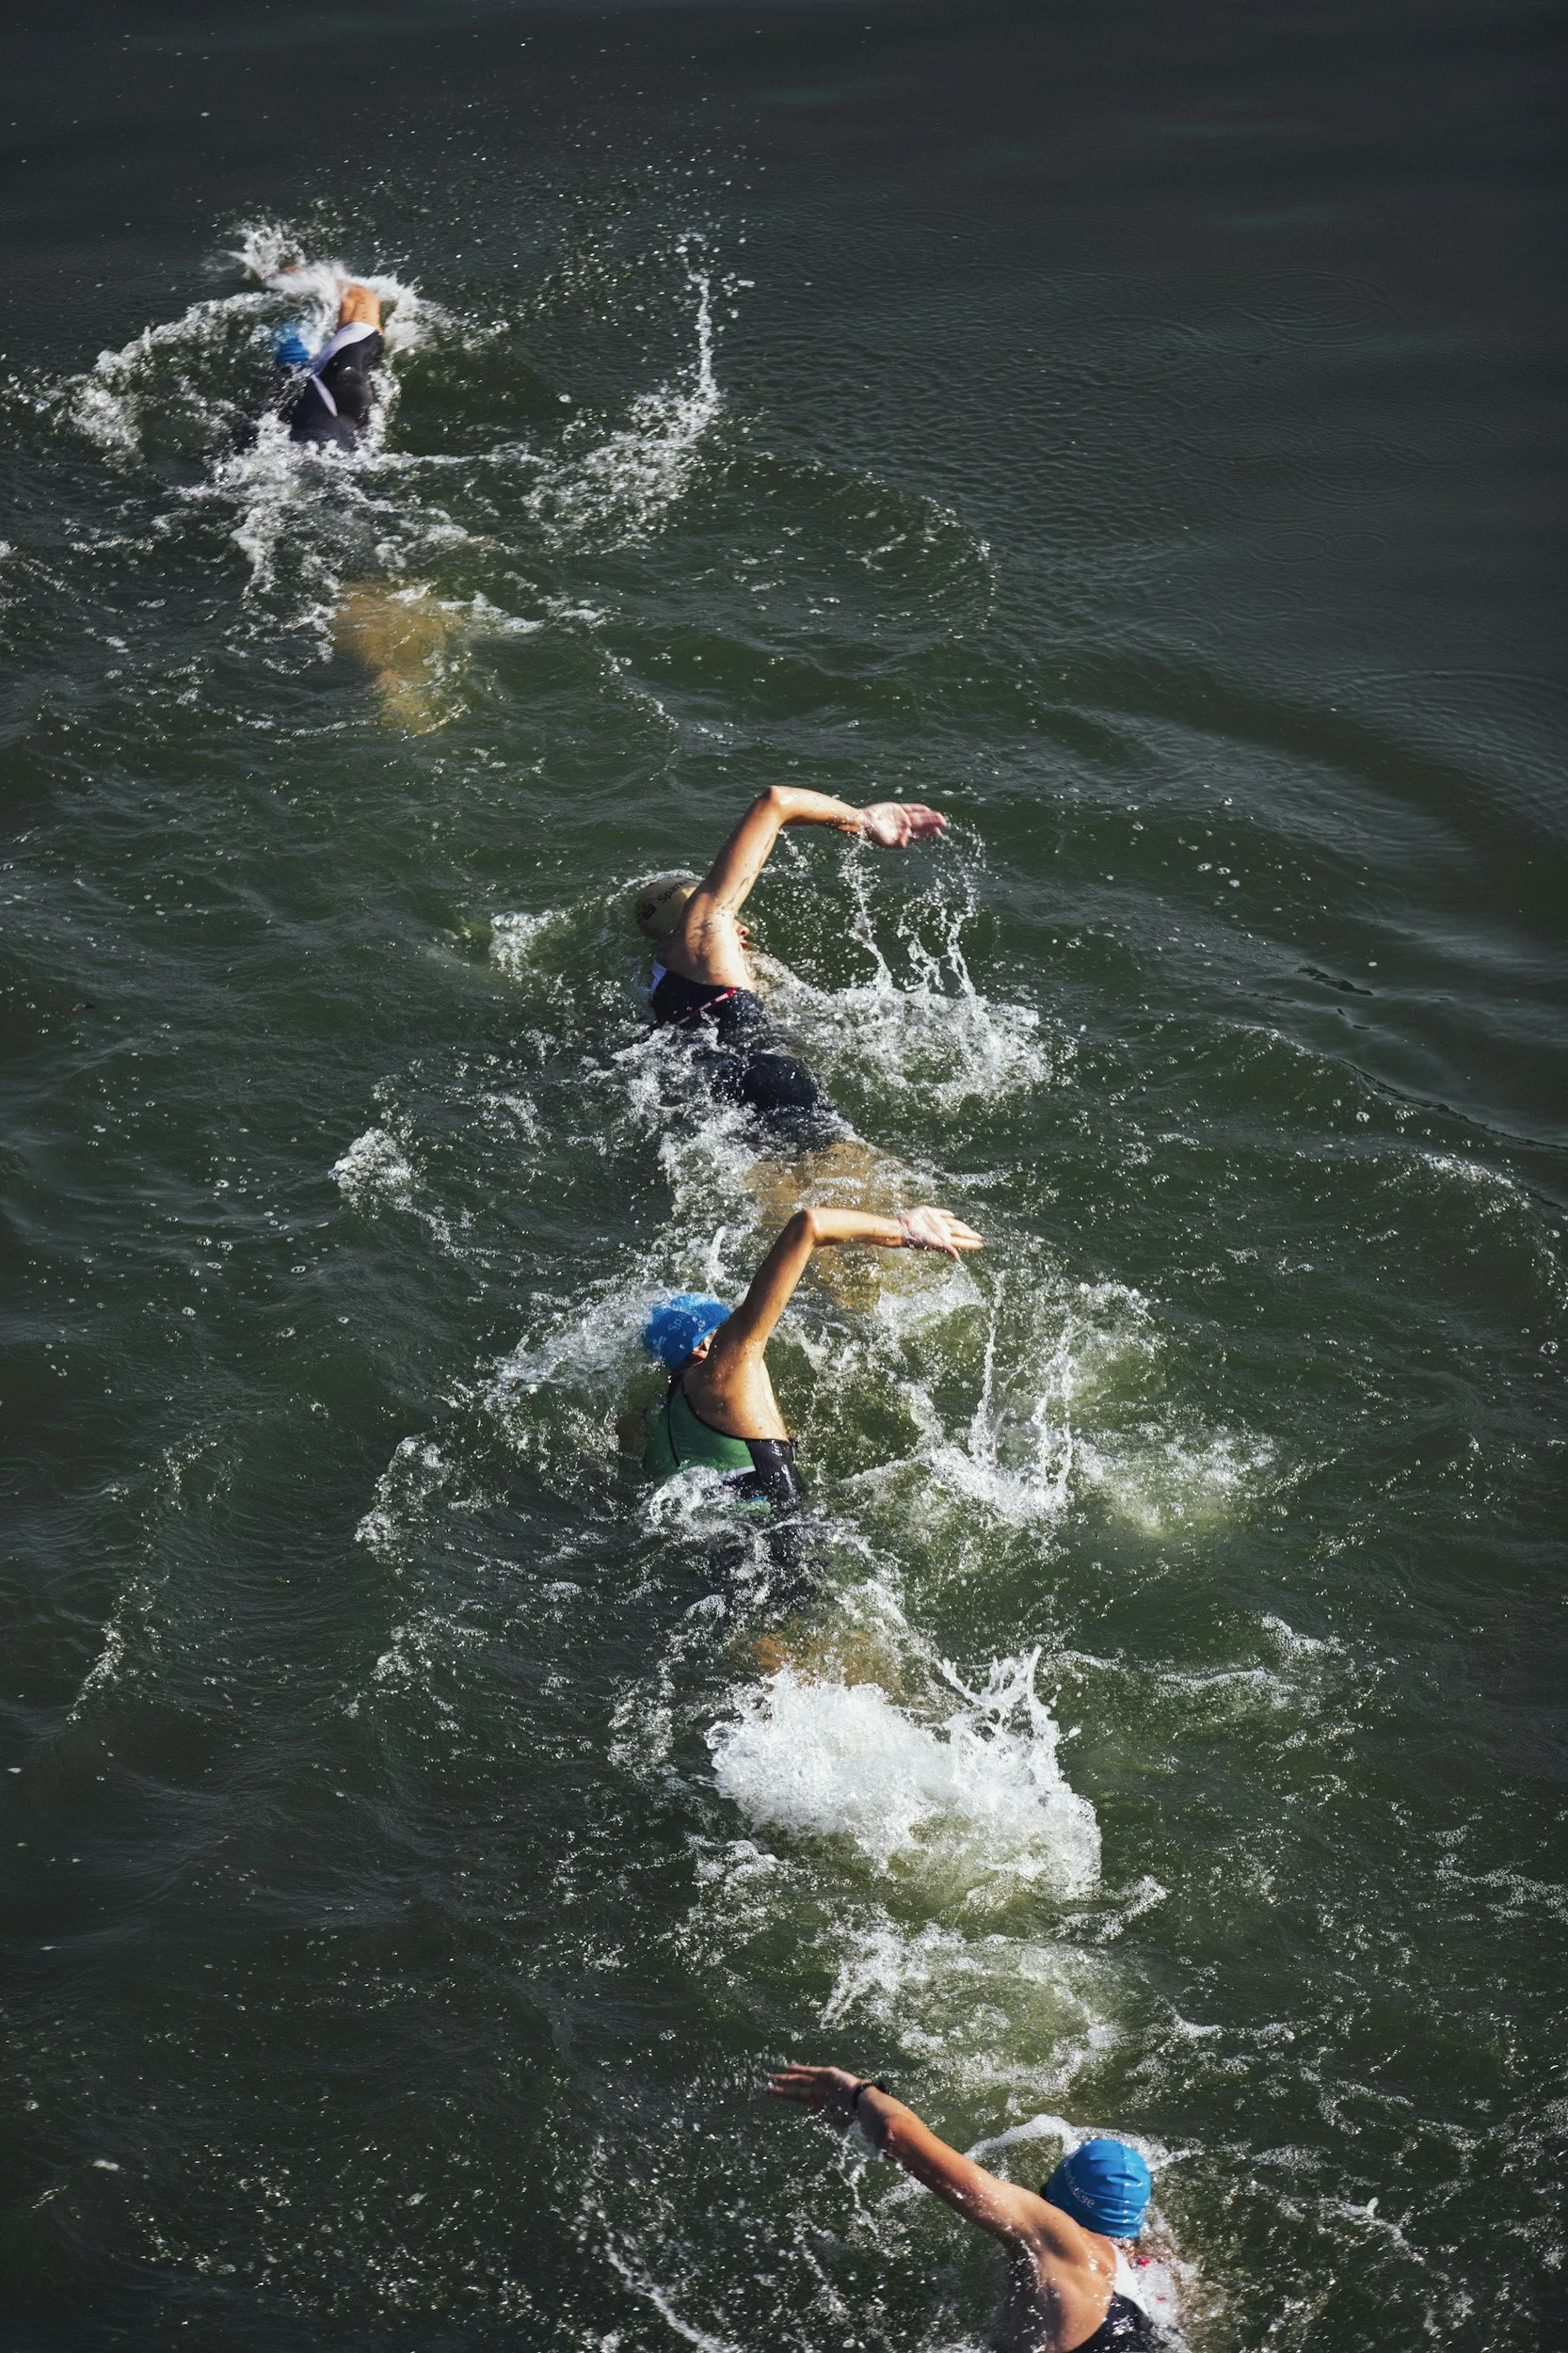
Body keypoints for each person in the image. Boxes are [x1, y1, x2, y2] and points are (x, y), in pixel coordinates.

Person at [634, 786, 946, 1150]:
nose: (742, 927)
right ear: (691, 919)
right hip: (777, 1085)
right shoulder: (703, 940)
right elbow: (775, 802)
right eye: (732, 916)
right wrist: (861, 820)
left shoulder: (658, 988)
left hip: (724, 1113)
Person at [767, 2065, 1164, 2351]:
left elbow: (897, 2135)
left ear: (1054, 2199)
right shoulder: (1152, 2272)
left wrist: (858, 2093)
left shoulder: (1060, 2240)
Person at [639, 1203, 981, 1514]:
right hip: (782, 1547)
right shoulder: (725, 1369)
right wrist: (902, 1229)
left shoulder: (653, 1423)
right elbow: (809, 1225)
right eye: (723, 1327)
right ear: (702, 1348)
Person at [276, 282, 385, 452]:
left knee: (287, 333)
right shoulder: (349, 356)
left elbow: (361, 297)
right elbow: (361, 296)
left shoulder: (351, 354)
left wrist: (300, 277)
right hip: (316, 432)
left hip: (315, 417)